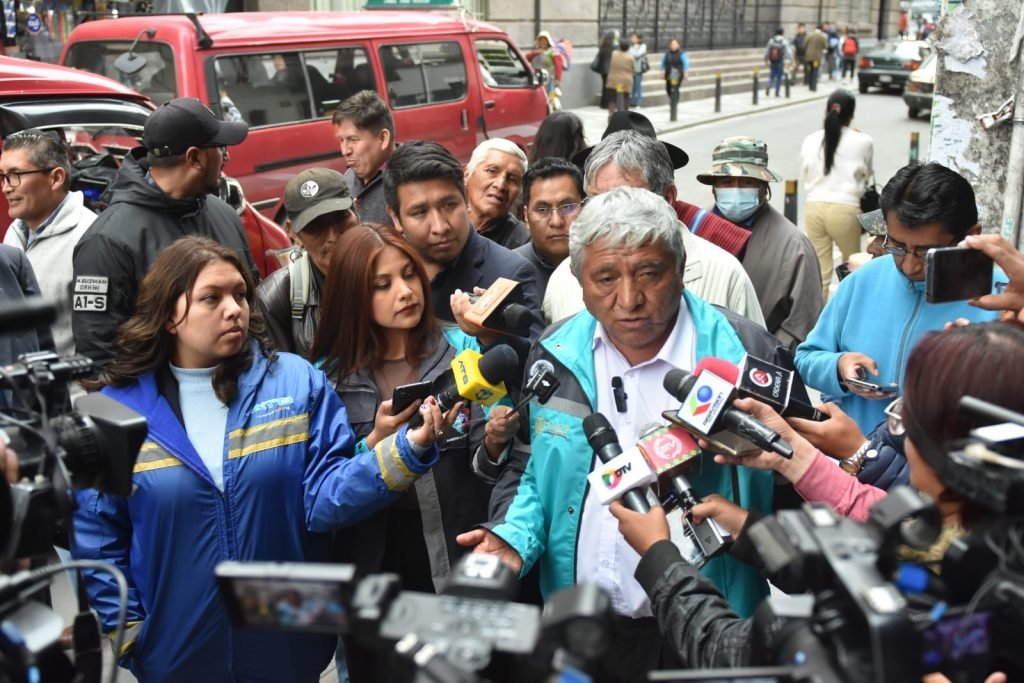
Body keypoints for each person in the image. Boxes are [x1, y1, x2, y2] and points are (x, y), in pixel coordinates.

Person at [458, 186, 805, 683]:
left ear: (680, 268)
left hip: (708, 632)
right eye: (605, 278)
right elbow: (534, 472)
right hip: (583, 629)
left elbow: (801, 501)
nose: (629, 300)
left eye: (649, 273)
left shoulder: (749, 357)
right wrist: (514, 537)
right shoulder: (554, 352)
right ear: (578, 279)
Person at [72, 236, 452, 683]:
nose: (233, 309)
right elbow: (98, 535)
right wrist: (131, 631)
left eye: (240, 294)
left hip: (289, 643)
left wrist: (406, 449)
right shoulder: (116, 411)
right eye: (211, 298)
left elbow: (324, 499)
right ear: (169, 315)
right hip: (177, 654)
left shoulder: (295, 382)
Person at [609, 322, 1024, 677]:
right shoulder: (991, 559)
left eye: (902, 419)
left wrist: (660, 559)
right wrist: (755, 531)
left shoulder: (901, 622)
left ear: (945, 453)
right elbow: (867, 567)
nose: (897, 433)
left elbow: (723, 649)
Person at [312, 223, 518, 680]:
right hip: (374, 565)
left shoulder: (462, 348)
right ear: (351, 294)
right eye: (382, 285)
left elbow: (498, 467)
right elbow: (323, 489)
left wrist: (494, 440)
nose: (405, 292)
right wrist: (375, 441)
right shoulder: (327, 379)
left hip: (458, 552)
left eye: (409, 275)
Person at [795, 162, 1000, 436]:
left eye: (927, 253)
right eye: (897, 246)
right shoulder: (862, 280)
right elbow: (806, 358)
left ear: (972, 236)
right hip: (851, 457)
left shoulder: (1003, 300)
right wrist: (838, 368)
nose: (910, 266)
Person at [71, 97, 257, 368]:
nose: (226, 156)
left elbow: (254, 309)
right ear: (194, 157)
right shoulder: (107, 241)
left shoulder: (224, 214)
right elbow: (98, 354)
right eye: (219, 148)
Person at [547, 126, 764, 327]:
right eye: (598, 201)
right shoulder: (564, 279)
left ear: (667, 198)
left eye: (627, 201)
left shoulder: (725, 275)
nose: (609, 217)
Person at [382, 140, 542, 341]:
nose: (440, 227)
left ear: (465, 197)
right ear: (396, 217)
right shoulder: (379, 271)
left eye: (449, 205)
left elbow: (537, 355)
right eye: (420, 212)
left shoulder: (511, 273)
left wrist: (490, 337)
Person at [697, 136, 822, 349]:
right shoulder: (694, 227)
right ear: (714, 187)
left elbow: (802, 322)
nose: (736, 190)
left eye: (747, 182)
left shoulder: (793, 245)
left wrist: (766, 355)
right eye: (726, 182)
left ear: (764, 187)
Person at [2, 128, 95, 357]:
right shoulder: (15, 231)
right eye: (2, 176)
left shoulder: (90, 236)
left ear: (56, 178)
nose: (6, 187)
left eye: (15, 175)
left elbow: (97, 336)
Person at [254, 168, 359, 358]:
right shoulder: (274, 300)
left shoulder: (391, 270)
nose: (333, 237)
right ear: (293, 233)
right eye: (315, 226)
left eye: (340, 217)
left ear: (357, 210)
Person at [800, 90, 875, 300]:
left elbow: (805, 171)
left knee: (820, 272)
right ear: (851, 114)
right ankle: (848, 312)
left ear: (827, 110)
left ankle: (818, 316)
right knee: (852, 267)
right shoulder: (863, 141)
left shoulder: (810, 139)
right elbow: (868, 174)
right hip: (846, 209)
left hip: (814, 207)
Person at [514, 158, 583, 303]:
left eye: (567, 207)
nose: (556, 221)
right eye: (542, 209)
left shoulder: (606, 262)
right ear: (526, 216)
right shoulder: (509, 272)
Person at [333, 90, 395, 226]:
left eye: (353, 139)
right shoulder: (347, 180)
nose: (345, 151)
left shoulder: (410, 179)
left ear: (383, 138)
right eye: (341, 140)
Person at [463, 138, 530, 249]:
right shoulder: (444, 224)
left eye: (512, 179)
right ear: (467, 174)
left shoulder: (523, 242)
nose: (500, 185)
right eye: (492, 171)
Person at [525, 30, 562, 97]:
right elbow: (525, 59)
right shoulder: (535, 51)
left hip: (548, 81)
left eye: (545, 40)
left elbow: (558, 65)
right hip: (535, 81)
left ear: (548, 41)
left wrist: (558, 80)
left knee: (548, 99)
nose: (543, 42)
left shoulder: (553, 51)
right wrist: (534, 53)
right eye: (541, 40)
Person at [661, 39, 688, 122]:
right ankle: (673, 100)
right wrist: (662, 71)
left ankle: (674, 103)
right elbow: (663, 63)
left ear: (678, 45)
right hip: (669, 72)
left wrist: (686, 72)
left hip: (677, 73)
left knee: (675, 88)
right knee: (668, 88)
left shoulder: (681, 53)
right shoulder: (667, 53)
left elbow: (685, 63)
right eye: (672, 44)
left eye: (675, 44)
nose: (673, 45)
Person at [605, 39, 634, 115]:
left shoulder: (614, 54)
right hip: (626, 81)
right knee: (625, 99)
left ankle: (611, 115)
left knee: (612, 99)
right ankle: (625, 115)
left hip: (613, 80)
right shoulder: (630, 57)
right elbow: (633, 68)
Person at [592, 31, 617, 110]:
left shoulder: (603, 46)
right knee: (609, 88)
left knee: (604, 86)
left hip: (603, 70)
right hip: (610, 69)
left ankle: (603, 103)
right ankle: (607, 103)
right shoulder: (613, 47)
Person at [763, 28, 790, 98]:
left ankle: (769, 85)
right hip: (780, 61)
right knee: (779, 77)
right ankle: (777, 92)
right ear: (782, 33)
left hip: (772, 61)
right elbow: (789, 52)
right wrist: (791, 60)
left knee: (772, 75)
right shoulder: (784, 41)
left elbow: (767, 50)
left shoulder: (771, 40)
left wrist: (765, 59)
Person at [804, 24, 828, 92]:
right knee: (814, 70)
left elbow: (805, 44)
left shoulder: (810, 35)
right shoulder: (822, 36)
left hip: (809, 56)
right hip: (816, 58)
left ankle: (809, 85)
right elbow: (825, 46)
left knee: (810, 70)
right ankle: (813, 87)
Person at [628, 32, 648, 108]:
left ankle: (637, 102)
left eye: (634, 37)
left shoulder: (642, 46)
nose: (632, 39)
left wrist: (631, 52)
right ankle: (632, 102)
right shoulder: (631, 47)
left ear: (638, 39)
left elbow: (637, 54)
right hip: (631, 68)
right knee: (633, 86)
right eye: (632, 37)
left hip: (638, 69)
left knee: (637, 86)